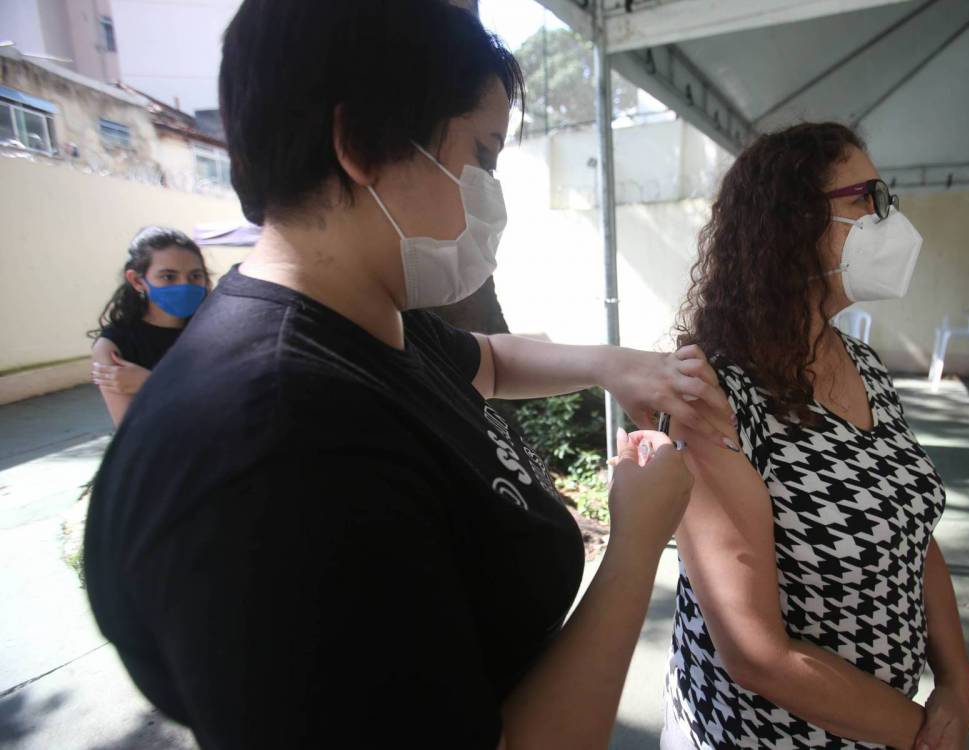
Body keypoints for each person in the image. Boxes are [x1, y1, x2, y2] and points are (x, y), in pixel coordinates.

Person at [84, 3, 740, 748]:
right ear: (362, 142)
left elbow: (487, 361)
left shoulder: (361, 315)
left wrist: (618, 367)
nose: (491, 190)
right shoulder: (282, 455)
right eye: (483, 156)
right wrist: (633, 548)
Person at [663, 123, 969, 750]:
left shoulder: (863, 363)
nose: (888, 218)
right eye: (868, 198)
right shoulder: (712, 394)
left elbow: (912, 534)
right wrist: (923, 736)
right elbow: (755, 652)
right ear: (792, 222)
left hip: (881, 730)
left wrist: (957, 685)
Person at [89, 226, 211, 426]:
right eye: (168, 277)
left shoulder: (216, 331)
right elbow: (132, 430)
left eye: (195, 276)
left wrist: (152, 383)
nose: (184, 285)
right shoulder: (113, 347)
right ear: (137, 281)